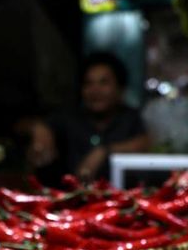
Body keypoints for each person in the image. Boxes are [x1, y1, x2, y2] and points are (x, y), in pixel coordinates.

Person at [25, 51, 149, 182]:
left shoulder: (130, 118)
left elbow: (145, 142)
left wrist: (104, 151)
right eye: (88, 83)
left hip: (121, 197)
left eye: (104, 83)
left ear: (120, 89)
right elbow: (24, 124)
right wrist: (39, 129)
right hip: (72, 197)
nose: (95, 90)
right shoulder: (69, 117)